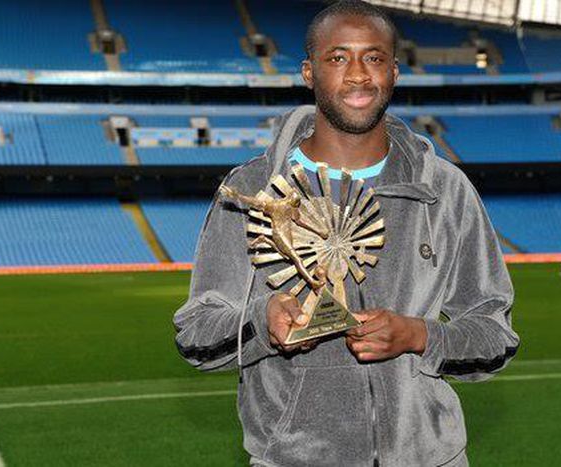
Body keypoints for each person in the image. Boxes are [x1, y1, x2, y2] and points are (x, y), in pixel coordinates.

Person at [173, 1, 520, 466]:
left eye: (373, 57)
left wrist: (419, 336)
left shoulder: (443, 190)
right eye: (338, 58)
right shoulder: (252, 191)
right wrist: (262, 321)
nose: (358, 74)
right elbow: (195, 335)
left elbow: (495, 336)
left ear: (393, 72)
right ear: (309, 72)